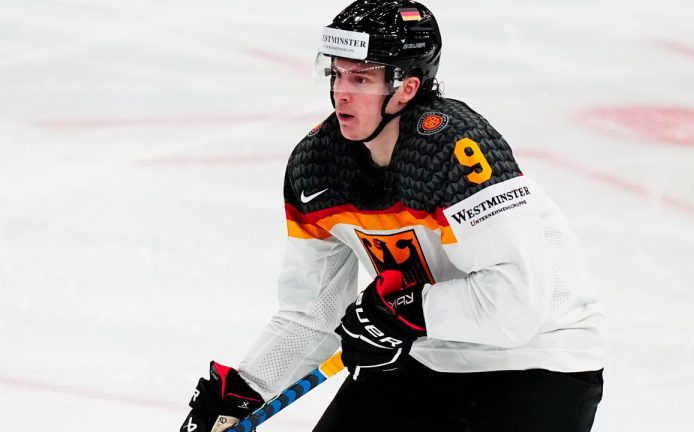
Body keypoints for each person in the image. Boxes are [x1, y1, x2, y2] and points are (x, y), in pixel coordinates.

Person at [180, 1, 605, 431]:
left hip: (539, 360)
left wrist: (409, 311)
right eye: (337, 74)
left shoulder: (454, 150)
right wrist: (248, 391)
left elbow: (515, 304)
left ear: (406, 87)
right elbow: (314, 311)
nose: (341, 92)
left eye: (361, 79)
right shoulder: (317, 167)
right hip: (420, 355)